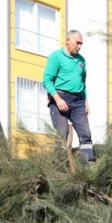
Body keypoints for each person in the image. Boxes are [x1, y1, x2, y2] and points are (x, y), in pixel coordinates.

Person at [42, 30, 95, 163]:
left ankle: (88, 165)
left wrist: (86, 101)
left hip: (78, 101)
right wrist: (57, 99)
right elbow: (47, 81)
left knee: (86, 134)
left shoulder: (81, 61)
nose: (79, 46)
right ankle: (58, 167)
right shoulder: (56, 57)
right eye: (77, 43)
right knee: (62, 134)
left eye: (81, 44)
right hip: (60, 98)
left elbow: (83, 83)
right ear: (67, 40)